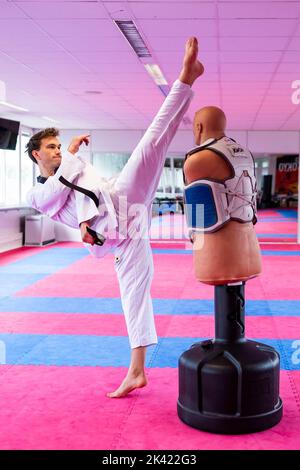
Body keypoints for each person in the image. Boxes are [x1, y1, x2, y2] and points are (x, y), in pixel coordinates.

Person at [26, 37, 204, 397]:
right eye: (51, 147)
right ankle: (136, 371)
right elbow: (55, 194)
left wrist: (74, 157)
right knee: (134, 298)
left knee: (153, 142)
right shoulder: (38, 191)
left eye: (60, 145)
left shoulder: (73, 167)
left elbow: (87, 188)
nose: (58, 151)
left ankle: (185, 79)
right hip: (121, 236)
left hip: (123, 200)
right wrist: (74, 156)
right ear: (35, 155)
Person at [183, 106, 262, 284]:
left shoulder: (197, 160)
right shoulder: (246, 154)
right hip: (250, 250)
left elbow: (198, 216)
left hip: (218, 256)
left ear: (199, 127)